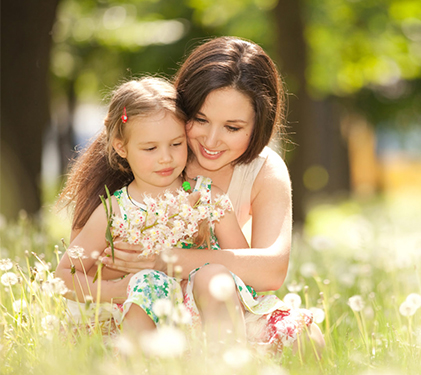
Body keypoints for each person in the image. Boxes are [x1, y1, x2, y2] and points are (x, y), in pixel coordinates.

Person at [96, 37, 325, 353]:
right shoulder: (152, 153)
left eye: (232, 127)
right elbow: (95, 261)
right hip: (154, 308)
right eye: (200, 120)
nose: (212, 141)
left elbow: (271, 271)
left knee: (307, 340)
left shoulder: (263, 170)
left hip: (222, 303)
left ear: (259, 125)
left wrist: (174, 259)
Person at [55, 77, 249, 337]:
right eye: (150, 148)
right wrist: (122, 289)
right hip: (137, 321)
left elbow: (245, 267)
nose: (166, 158)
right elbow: (65, 275)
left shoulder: (208, 198)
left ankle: (224, 361)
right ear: (121, 147)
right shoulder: (115, 211)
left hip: (203, 321)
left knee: (216, 279)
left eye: (176, 144)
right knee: (148, 284)